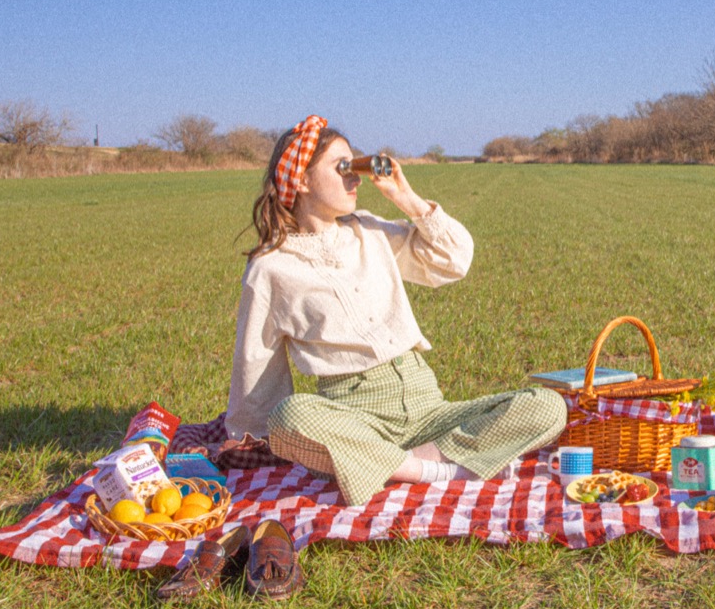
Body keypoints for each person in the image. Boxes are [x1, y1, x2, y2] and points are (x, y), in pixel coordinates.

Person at [224, 115, 567, 506]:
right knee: (291, 417)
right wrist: (248, 440)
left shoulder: (369, 231)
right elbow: (256, 362)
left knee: (547, 406)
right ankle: (441, 471)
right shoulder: (271, 267)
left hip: (428, 408)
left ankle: (397, 468)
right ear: (301, 180)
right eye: (342, 168)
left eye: (355, 165)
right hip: (355, 419)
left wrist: (405, 196)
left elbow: (453, 261)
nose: (355, 177)